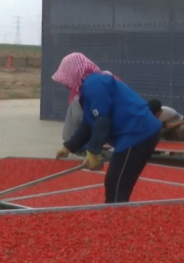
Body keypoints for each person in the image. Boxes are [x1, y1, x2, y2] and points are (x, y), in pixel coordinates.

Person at [53, 53, 162, 204]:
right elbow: (88, 122)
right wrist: (69, 146)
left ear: (74, 72)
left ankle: (116, 220)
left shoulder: (94, 84)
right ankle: (116, 216)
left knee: (116, 184)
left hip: (137, 132)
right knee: (116, 182)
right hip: (138, 131)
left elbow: (102, 121)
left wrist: (93, 151)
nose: (66, 84)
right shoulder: (91, 85)